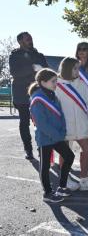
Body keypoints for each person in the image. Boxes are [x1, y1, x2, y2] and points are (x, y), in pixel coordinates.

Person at [55, 57, 88, 191]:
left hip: (81, 125)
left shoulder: (81, 84)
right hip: (65, 126)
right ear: (67, 68)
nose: (78, 71)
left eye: (78, 68)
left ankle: (84, 180)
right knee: (65, 154)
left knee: (87, 149)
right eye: (75, 68)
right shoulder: (57, 85)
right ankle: (66, 180)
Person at [29, 68, 75, 203]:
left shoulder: (52, 95)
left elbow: (60, 115)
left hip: (56, 136)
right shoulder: (37, 99)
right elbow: (42, 123)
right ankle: (47, 193)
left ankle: (61, 187)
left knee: (69, 156)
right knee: (45, 166)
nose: (56, 84)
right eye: (53, 81)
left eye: (56, 81)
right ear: (43, 82)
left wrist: (62, 130)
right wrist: (58, 135)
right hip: (45, 138)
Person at [9, 32, 48, 160]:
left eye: (31, 38)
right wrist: (32, 68)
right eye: (27, 39)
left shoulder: (38, 55)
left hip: (38, 93)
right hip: (21, 94)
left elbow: (46, 71)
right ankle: (28, 149)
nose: (30, 40)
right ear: (20, 41)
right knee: (24, 122)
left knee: (40, 122)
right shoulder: (15, 56)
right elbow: (15, 72)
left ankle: (41, 147)